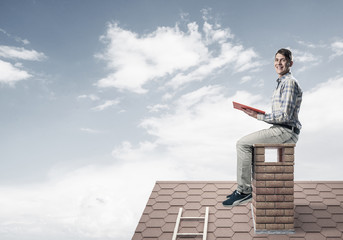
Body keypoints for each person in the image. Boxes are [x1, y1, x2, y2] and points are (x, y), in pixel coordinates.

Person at [223, 48, 302, 207]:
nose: (279, 63)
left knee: (242, 144)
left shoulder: (289, 83)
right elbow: (281, 114)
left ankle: (244, 191)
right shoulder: (281, 83)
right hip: (281, 128)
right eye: (276, 60)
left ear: (290, 63)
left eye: (283, 60)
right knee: (247, 145)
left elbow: (285, 116)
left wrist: (258, 116)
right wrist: (257, 113)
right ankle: (244, 188)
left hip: (286, 130)